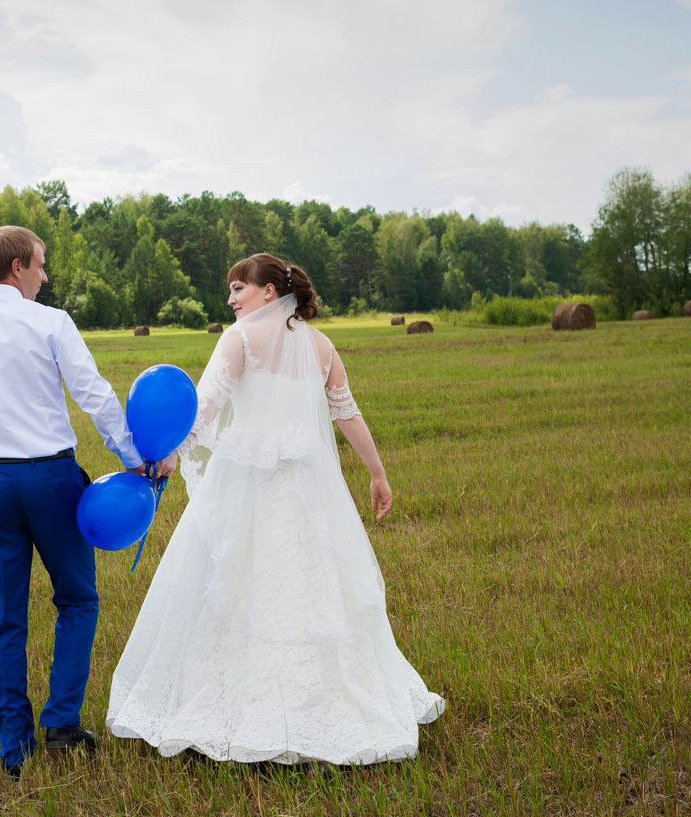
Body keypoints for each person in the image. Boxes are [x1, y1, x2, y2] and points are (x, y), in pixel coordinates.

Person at [107, 253, 445, 765]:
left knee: (235, 587)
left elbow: (204, 407)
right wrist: (376, 472)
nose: (230, 299)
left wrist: (169, 454)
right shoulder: (322, 345)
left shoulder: (239, 339)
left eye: (238, 288)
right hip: (309, 487)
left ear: (269, 292)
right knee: (307, 588)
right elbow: (347, 415)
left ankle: (242, 705)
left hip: (244, 481)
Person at [0, 225, 173, 779]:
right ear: (16, 269)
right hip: (53, 479)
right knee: (77, 599)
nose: (45, 275)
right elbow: (95, 394)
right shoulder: (51, 322)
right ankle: (61, 723)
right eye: (41, 265)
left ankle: (15, 751)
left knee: (1, 620)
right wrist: (132, 456)